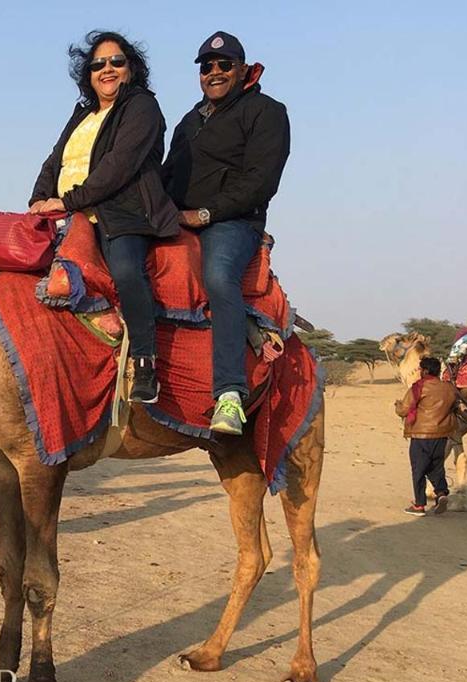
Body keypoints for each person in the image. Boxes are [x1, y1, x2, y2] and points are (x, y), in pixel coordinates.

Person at [30, 30, 179, 403]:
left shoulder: (141, 107)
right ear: (88, 74)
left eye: (116, 61)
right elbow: (56, 159)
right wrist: (38, 199)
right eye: (98, 64)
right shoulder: (83, 115)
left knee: (127, 271)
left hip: (124, 213)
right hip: (71, 215)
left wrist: (68, 201)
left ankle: (145, 362)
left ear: (131, 68)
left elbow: (119, 166)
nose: (107, 69)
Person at [162, 30, 290, 434]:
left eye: (223, 65)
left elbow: (262, 180)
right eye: (206, 67)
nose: (214, 73)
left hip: (233, 222)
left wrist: (205, 213)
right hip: (180, 218)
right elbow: (166, 176)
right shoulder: (188, 121)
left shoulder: (266, 111)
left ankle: (230, 394)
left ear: (242, 68)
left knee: (218, 276)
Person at [395, 356, 459, 517]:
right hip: (442, 435)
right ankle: (441, 493)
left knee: (418, 469)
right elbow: (454, 406)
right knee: (436, 466)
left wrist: (397, 406)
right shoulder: (449, 388)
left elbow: (404, 410)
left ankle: (419, 505)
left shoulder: (418, 387)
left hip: (421, 434)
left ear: (424, 371)